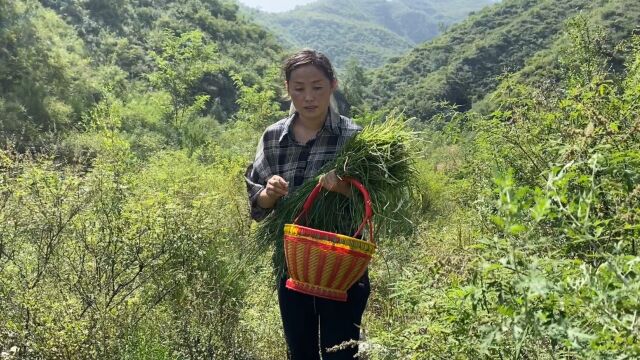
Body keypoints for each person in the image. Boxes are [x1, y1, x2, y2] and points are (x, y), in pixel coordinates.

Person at [245, 49, 370, 359]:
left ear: (333, 85)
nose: (309, 97)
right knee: (300, 351)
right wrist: (270, 193)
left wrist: (342, 188)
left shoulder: (353, 137)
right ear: (287, 89)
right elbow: (257, 202)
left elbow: (374, 204)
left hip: (341, 263)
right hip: (293, 264)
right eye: (299, 88)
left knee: (340, 352)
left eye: (317, 87)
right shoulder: (274, 136)